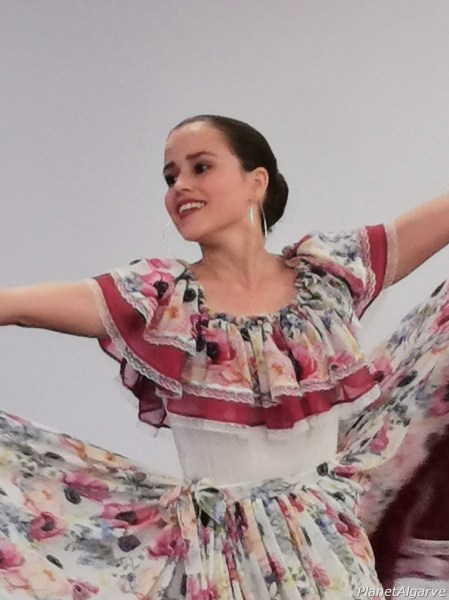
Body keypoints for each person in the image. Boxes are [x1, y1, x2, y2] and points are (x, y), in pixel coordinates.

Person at [1, 113, 449, 599]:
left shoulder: (328, 277)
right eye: (170, 176)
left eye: (201, 167)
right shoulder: (162, 299)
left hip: (328, 547)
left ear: (256, 182)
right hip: (219, 558)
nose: (180, 186)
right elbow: (17, 307)